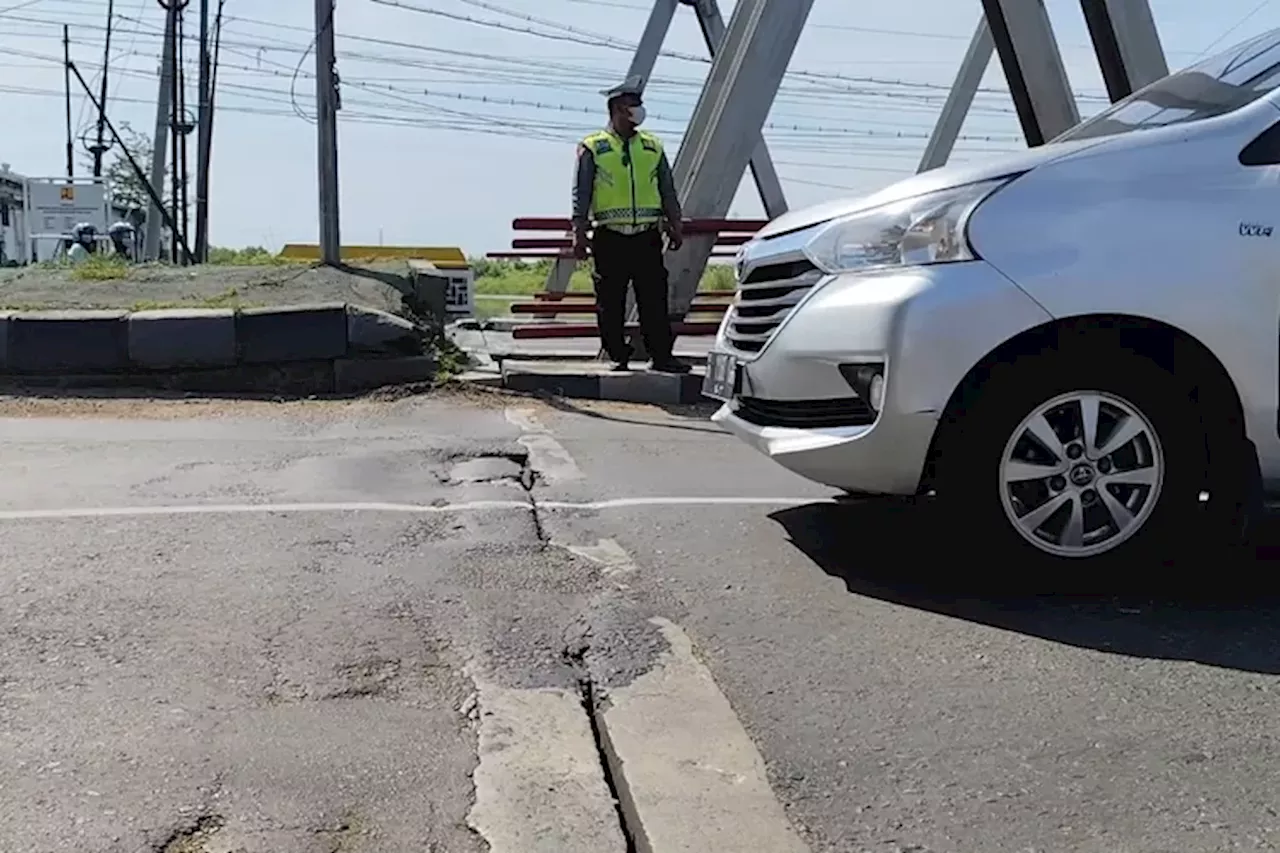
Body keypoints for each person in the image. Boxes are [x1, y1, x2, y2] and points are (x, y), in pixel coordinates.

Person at [571, 75, 691, 373]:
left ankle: (661, 356)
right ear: (616, 109)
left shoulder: (652, 146)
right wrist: (579, 231)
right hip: (609, 237)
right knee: (610, 301)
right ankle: (617, 355)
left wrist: (675, 222)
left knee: (654, 299)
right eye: (631, 105)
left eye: (639, 104)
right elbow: (581, 192)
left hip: (646, 236)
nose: (638, 110)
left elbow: (667, 188)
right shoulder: (593, 146)